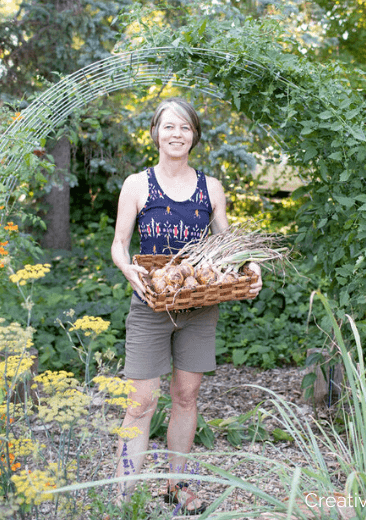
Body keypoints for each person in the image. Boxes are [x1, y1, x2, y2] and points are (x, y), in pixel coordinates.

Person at [110, 97, 262, 514]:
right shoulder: (137, 185)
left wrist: (249, 267)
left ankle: (177, 485)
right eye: (169, 127)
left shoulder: (210, 188)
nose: (177, 135)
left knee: (186, 395)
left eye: (185, 128)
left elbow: (228, 244)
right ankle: (126, 492)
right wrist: (129, 272)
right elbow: (120, 245)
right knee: (140, 402)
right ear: (156, 132)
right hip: (150, 304)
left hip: (199, 307)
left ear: (194, 135)